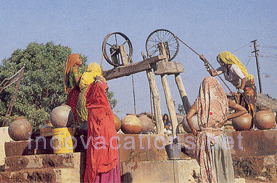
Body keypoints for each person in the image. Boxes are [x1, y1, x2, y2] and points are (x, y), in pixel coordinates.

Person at [187, 76, 247, 183]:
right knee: (222, 165)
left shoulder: (200, 102)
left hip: (206, 139)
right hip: (221, 138)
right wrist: (226, 118)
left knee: (210, 168)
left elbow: (188, 117)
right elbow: (243, 110)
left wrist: (194, 131)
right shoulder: (224, 100)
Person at [84, 76, 120, 183]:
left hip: (97, 144)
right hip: (105, 144)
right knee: (104, 167)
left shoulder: (91, 107)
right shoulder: (102, 107)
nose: (105, 94)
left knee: (96, 165)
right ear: (99, 92)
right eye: (104, 91)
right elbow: (105, 127)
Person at [200, 51, 257, 118]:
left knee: (249, 105)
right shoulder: (224, 68)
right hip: (240, 88)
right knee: (241, 106)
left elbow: (243, 78)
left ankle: (252, 123)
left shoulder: (234, 67)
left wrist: (240, 91)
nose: (220, 62)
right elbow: (213, 74)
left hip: (247, 86)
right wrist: (205, 61)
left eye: (221, 60)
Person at [64, 54, 83, 122]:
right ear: (74, 61)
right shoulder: (75, 70)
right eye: (79, 58)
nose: (81, 59)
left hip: (73, 93)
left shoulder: (72, 70)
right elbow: (78, 83)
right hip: (76, 93)